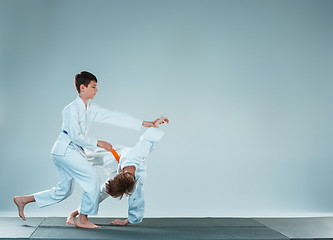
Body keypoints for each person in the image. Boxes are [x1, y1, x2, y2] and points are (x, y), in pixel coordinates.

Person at [13, 71, 162, 229]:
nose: (96, 90)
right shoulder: (70, 109)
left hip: (73, 151)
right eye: (94, 86)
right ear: (82, 88)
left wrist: (144, 123)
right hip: (65, 149)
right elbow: (75, 136)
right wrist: (99, 143)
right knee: (92, 180)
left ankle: (23, 200)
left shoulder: (91, 108)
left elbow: (115, 117)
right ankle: (82, 220)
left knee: (63, 191)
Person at [66, 117, 168, 226]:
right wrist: (155, 126)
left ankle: (74, 213)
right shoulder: (135, 154)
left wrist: (128, 221)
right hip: (115, 156)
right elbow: (146, 141)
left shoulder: (138, 181)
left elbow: (137, 201)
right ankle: (72, 146)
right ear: (120, 174)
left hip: (122, 165)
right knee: (88, 155)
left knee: (101, 192)